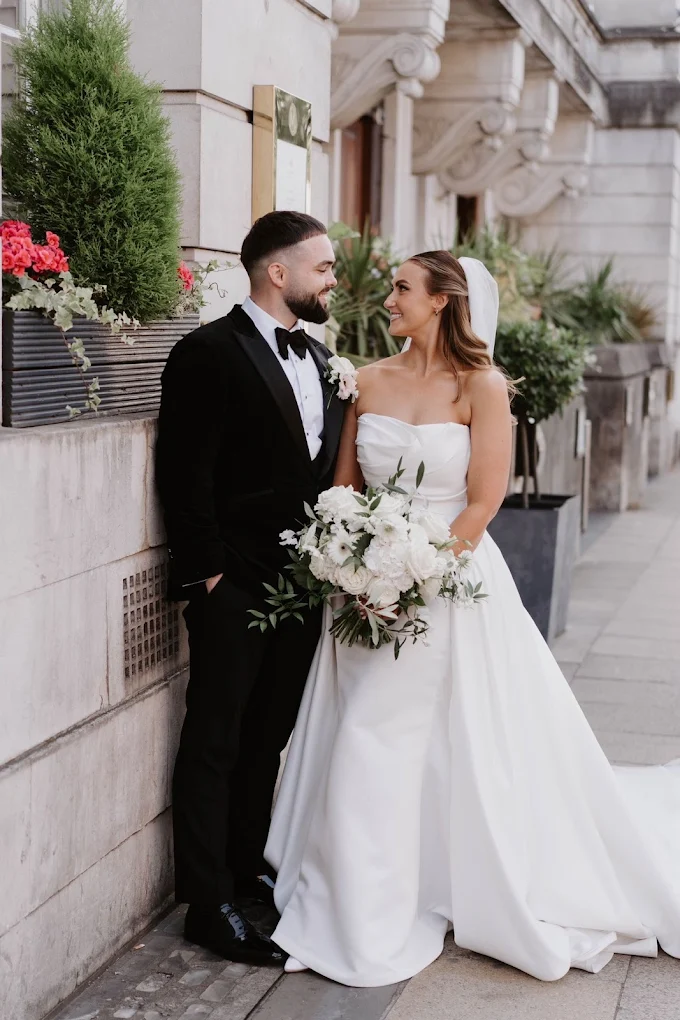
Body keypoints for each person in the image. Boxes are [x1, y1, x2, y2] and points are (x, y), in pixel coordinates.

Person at [265, 250, 680, 985]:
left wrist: (418, 575)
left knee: (396, 735)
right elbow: (344, 486)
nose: (386, 297)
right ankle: (361, 896)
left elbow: (483, 500)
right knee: (369, 730)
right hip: (362, 582)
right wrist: (352, 564)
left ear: (441, 302)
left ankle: (379, 905)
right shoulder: (368, 379)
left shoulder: (484, 388)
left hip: (445, 577)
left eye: (401, 288)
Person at [155, 211, 343, 965]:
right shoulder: (206, 352)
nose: (334, 280)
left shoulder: (324, 360)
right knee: (217, 738)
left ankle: (242, 871)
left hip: (302, 586)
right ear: (279, 272)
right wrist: (209, 574)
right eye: (324, 268)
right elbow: (184, 471)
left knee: (267, 736)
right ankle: (207, 903)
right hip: (233, 584)